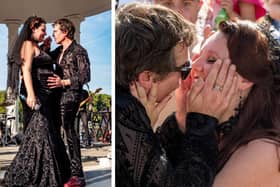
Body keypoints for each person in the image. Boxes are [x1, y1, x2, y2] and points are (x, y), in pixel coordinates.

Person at [116, 3, 237, 187]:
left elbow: (157, 169)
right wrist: (202, 122)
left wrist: (181, 119)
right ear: (148, 77)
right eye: (185, 69)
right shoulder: (126, 113)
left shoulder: (128, 107)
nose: (194, 71)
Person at [188, 20, 280, 186]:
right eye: (198, 56)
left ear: (244, 79)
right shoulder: (218, 128)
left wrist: (199, 121)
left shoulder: (264, 150)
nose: (195, 66)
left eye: (211, 60)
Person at [2, 16, 71, 186]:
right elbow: (26, 70)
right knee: (40, 133)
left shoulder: (35, 46)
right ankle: (30, 173)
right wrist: (31, 95)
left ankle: (42, 171)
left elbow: (39, 63)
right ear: (33, 28)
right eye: (42, 30)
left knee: (43, 133)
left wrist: (44, 47)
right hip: (38, 95)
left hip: (47, 96)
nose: (44, 34)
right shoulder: (26, 45)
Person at [47, 18, 91, 187]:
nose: (53, 35)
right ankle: (63, 170)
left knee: (69, 130)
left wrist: (63, 82)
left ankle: (77, 175)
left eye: (55, 31)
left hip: (71, 95)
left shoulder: (79, 51)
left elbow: (85, 76)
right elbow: (43, 59)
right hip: (56, 97)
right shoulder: (58, 51)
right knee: (55, 130)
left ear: (65, 32)